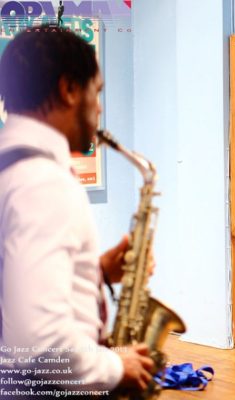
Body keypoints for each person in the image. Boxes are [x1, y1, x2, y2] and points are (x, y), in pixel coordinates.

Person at [0, 27, 154, 395]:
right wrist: (115, 365)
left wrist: (96, 271)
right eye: (96, 92)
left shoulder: (11, 169)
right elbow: (40, 342)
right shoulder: (43, 182)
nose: (99, 108)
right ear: (69, 89)